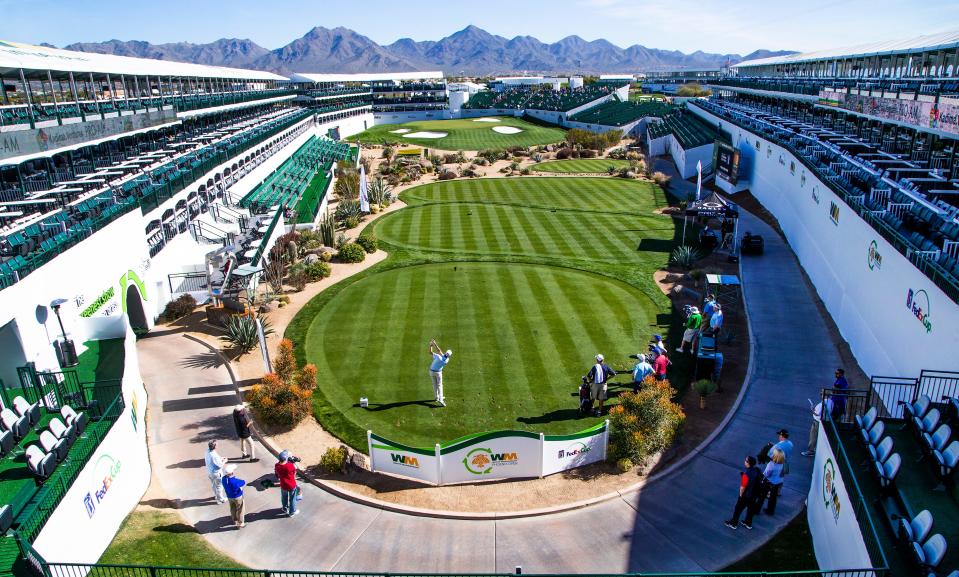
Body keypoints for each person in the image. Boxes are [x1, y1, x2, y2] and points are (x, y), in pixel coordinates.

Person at [724, 455, 763, 530]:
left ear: (748, 463)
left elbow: (743, 487)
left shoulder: (746, 474)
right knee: (750, 510)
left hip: (746, 496)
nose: (744, 461)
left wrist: (741, 495)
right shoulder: (757, 470)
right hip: (754, 495)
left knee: (738, 509)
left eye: (746, 460)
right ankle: (748, 523)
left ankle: (733, 524)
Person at [759, 448, 786, 515]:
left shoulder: (771, 464)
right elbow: (784, 473)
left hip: (768, 482)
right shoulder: (784, 464)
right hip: (777, 483)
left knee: (762, 496)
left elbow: (767, 474)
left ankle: (756, 510)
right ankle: (770, 511)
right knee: (773, 498)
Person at [428, 339, 452, 407]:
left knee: (434, 384)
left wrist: (431, 345)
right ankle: (441, 399)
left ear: (445, 353)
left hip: (431, 371)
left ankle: (437, 397)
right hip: (438, 373)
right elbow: (439, 351)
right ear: (449, 356)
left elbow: (431, 352)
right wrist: (434, 344)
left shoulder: (438, 357)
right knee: (440, 385)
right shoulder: (447, 360)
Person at [275, 450, 299, 517]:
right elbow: (294, 472)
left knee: (284, 497)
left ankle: (284, 508)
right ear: (286, 459)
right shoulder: (290, 465)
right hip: (291, 485)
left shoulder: (277, 465)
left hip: (283, 485)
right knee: (292, 499)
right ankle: (292, 512)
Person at [221, 464, 246, 528]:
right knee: (240, 509)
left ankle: (234, 520)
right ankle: (240, 523)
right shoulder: (234, 481)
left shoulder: (223, 479)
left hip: (229, 497)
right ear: (232, 472)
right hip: (237, 497)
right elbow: (243, 482)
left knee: (232, 508)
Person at [204, 440, 227, 504]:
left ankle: (216, 496)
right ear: (214, 446)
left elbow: (214, 460)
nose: (218, 445)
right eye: (217, 444)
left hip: (209, 472)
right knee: (219, 486)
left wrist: (221, 458)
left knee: (214, 485)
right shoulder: (214, 455)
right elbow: (219, 466)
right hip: (216, 473)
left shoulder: (207, 451)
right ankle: (221, 499)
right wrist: (224, 461)